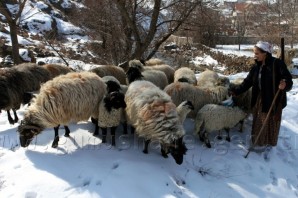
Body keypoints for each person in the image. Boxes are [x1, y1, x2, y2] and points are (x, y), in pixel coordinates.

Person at [230, 41, 293, 152]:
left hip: (273, 99)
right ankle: (259, 143)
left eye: (257, 53)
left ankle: (266, 144)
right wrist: (235, 91)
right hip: (260, 98)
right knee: (259, 121)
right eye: (254, 53)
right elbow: (247, 82)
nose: (255, 55)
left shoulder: (277, 64)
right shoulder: (256, 67)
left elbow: (288, 79)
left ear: (265, 53)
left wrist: (285, 84)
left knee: (270, 122)